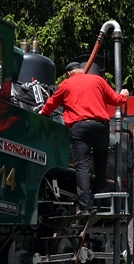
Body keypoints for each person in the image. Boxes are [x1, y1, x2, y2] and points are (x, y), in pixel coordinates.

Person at [39, 61, 129, 214]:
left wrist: (42, 113)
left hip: (80, 127)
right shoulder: (98, 80)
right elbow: (116, 100)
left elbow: (51, 104)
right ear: (82, 71)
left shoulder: (66, 84)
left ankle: (85, 207)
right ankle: (101, 203)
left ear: (68, 73)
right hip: (101, 127)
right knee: (101, 165)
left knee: (83, 166)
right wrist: (124, 95)